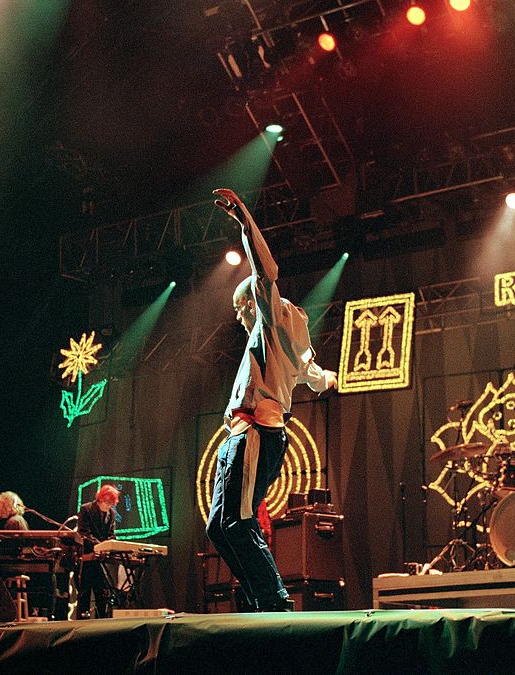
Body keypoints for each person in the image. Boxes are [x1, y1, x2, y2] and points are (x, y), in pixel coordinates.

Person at [205, 188, 338, 613]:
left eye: (239, 309)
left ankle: (273, 600)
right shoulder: (290, 342)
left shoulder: (271, 322)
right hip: (248, 434)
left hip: (255, 432)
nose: (238, 318)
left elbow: (266, 274)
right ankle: (259, 596)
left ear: (252, 304)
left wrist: (245, 221)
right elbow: (315, 377)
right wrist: (329, 379)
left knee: (237, 522)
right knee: (219, 526)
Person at [76, 484, 119, 619]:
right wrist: (100, 546)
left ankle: (101, 620)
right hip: (88, 556)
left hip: (101, 559)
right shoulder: (86, 509)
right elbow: (84, 533)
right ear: (100, 499)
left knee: (102, 592)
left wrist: (111, 544)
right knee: (85, 592)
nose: (108, 506)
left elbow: (111, 534)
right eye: (106, 502)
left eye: (111, 504)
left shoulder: (112, 514)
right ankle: (82, 621)